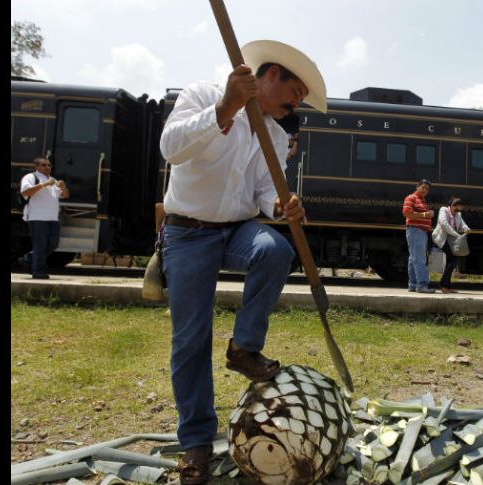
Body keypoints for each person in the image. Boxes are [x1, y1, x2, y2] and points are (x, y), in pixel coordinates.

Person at [158, 40, 327, 485]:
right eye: (294, 93)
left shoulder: (273, 132)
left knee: (275, 249)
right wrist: (225, 107)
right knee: (190, 340)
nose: (295, 105)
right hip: (188, 231)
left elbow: (261, 194)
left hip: (234, 229)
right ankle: (196, 443)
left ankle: (244, 348)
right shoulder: (200, 94)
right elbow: (171, 149)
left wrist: (280, 205)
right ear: (271, 76)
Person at [18, 157, 69, 279]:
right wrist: (44, 184)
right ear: (36, 167)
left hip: (52, 219)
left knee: (53, 244)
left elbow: (65, 196)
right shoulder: (30, 177)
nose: (48, 167)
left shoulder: (53, 180)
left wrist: (63, 187)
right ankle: (38, 271)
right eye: (44, 165)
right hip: (37, 217)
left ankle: (29, 258)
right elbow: (25, 192)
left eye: (49, 165)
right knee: (40, 245)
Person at [432, 197, 471, 293]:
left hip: (452, 240)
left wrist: (466, 228)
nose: (457, 211)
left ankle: (447, 286)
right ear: (451, 205)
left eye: (459, 209)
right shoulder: (443, 210)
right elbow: (444, 224)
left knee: (452, 262)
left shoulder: (458, 214)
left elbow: (462, 224)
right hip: (443, 238)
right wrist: (456, 234)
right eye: (456, 208)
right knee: (452, 261)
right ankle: (443, 285)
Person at [402, 179, 435, 293]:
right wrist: (425, 214)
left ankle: (412, 284)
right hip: (416, 231)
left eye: (427, 189)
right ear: (417, 187)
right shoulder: (411, 197)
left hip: (419, 231)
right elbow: (407, 212)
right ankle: (422, 285)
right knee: (420, 258)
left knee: (413, 258)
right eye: (423, 187)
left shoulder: (422, 200)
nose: (425, 190)